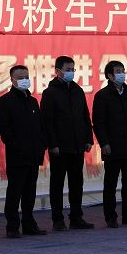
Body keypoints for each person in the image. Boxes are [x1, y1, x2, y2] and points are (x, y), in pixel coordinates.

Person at [40, 56, 95, 230]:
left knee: (76, 183)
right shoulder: (50, 93)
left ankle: (76, 217)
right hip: (59, 147)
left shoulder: (78, 90)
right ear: (58, 71)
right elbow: (47, 121)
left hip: (78, 145)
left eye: (73, 69)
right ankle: (57, 219)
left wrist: (88, 138)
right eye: (67, 69)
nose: (71, 72)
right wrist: (52, 144)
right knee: (57, 183)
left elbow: (85, 116)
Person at [92, 60, 127, 227]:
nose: (122, 74)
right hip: (113, 147)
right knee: (111, 183)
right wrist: (104, 143)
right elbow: (98, 123)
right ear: (110, 75)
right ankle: (111, 217)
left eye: (123, 71)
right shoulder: (102, 96)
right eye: (118, 71)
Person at [0, 65, 47, 238]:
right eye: (20, 77)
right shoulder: (5, 101)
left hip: (33, 154)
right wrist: (16, 146)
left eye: (26, 76)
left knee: (30, 191)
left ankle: (29, 224)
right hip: (17, 155)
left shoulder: (32, 101)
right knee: (15, 191)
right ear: (12, 80)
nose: (24, 80)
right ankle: (12, 226)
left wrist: (41, 145)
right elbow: (2, 128)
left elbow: (39, 126)